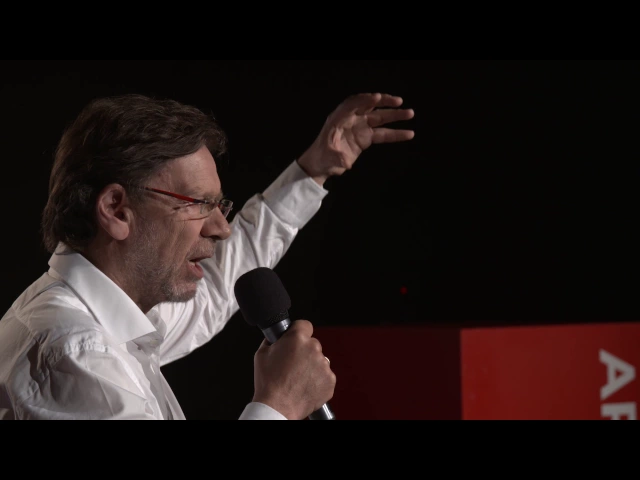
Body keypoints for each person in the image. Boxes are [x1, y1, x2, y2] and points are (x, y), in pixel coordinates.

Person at [0, 92, 415, 420]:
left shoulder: (105, 322)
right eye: (199, 204)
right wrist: (279, 405)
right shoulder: (74, 353)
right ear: (117, 210)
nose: (221, 227)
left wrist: (313, 171)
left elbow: (218, 286)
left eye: (219, 205)